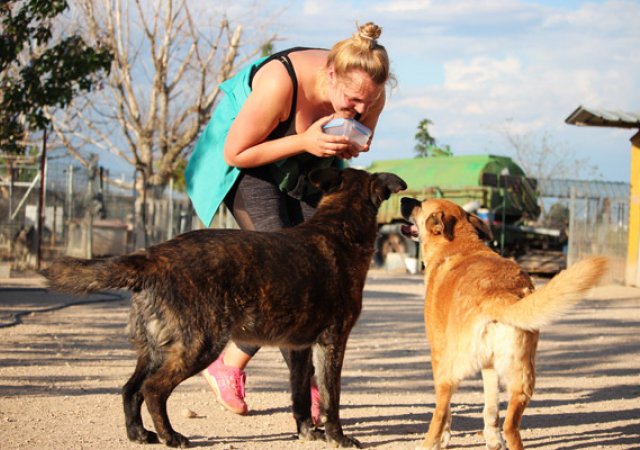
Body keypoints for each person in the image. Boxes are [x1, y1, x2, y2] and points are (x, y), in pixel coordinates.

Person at [184, 22, 393, 421]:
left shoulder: (370, 92)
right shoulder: (282, 83)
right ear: (330, 74)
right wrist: (304, 141)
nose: (360, 110)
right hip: (248, 164)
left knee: (322, 272)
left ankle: (228, 363)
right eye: (352, 101)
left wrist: (350, 142)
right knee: (284, 272)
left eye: (368, 103)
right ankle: (309, 389)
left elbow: (360, 135)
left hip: (306, 164)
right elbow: (236, 152)